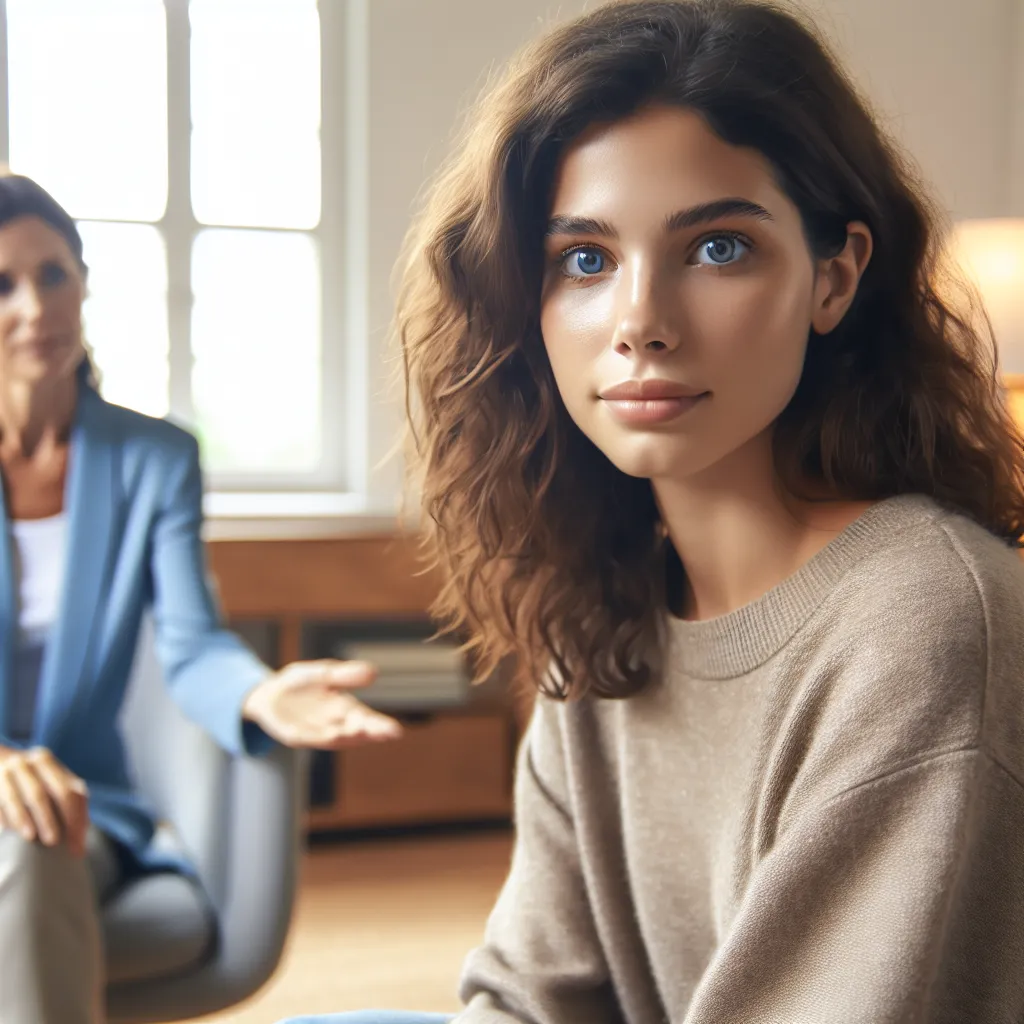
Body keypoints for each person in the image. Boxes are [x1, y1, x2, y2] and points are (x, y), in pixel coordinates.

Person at [279, 0, 1024, 1021]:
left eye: (716, 248)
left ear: (835, 276)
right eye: (583, 259)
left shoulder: (927, 622)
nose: (640, 323)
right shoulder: (602, 603)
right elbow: (528, 993)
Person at [0, 172, 404, 1024]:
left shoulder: (156, 459)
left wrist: (260, 692)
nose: (36, 307)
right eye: (3, 284)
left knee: (29, 845)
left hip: (83, 809)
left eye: (52, 274)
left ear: (83, 281)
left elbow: (191, 644)